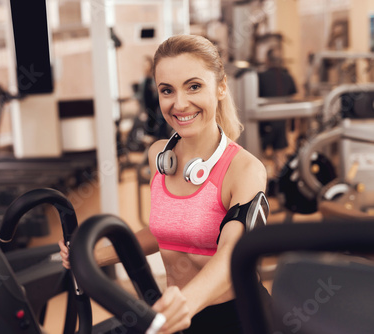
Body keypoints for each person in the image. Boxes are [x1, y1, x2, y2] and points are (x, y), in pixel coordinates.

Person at [59, 34, 269, 334]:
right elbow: (163, 233)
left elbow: (232, 255)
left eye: (194, 86)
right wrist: (91, 256)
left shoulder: (245, 169)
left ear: (221, 87)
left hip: (234, 318)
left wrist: (185, 303)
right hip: (177, 316)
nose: (179, 104)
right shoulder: (160, 155)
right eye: (167, 90)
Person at [258, 47, 297, 176]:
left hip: (265, 123)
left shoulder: (261, 76)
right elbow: (293, 96)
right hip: (281, 122)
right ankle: (281, 184)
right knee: (280, 157)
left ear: (267, 60)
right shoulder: (287, 77)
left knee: (259, 157)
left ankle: (262, 186)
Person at [139, 55, 169, 140]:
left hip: (156, 108)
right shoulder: (143, 79)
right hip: (148, 108)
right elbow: (142, 97)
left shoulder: (154, 77)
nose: (145, 67)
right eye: (144, 65)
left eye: (147, 65)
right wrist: (142, 111)